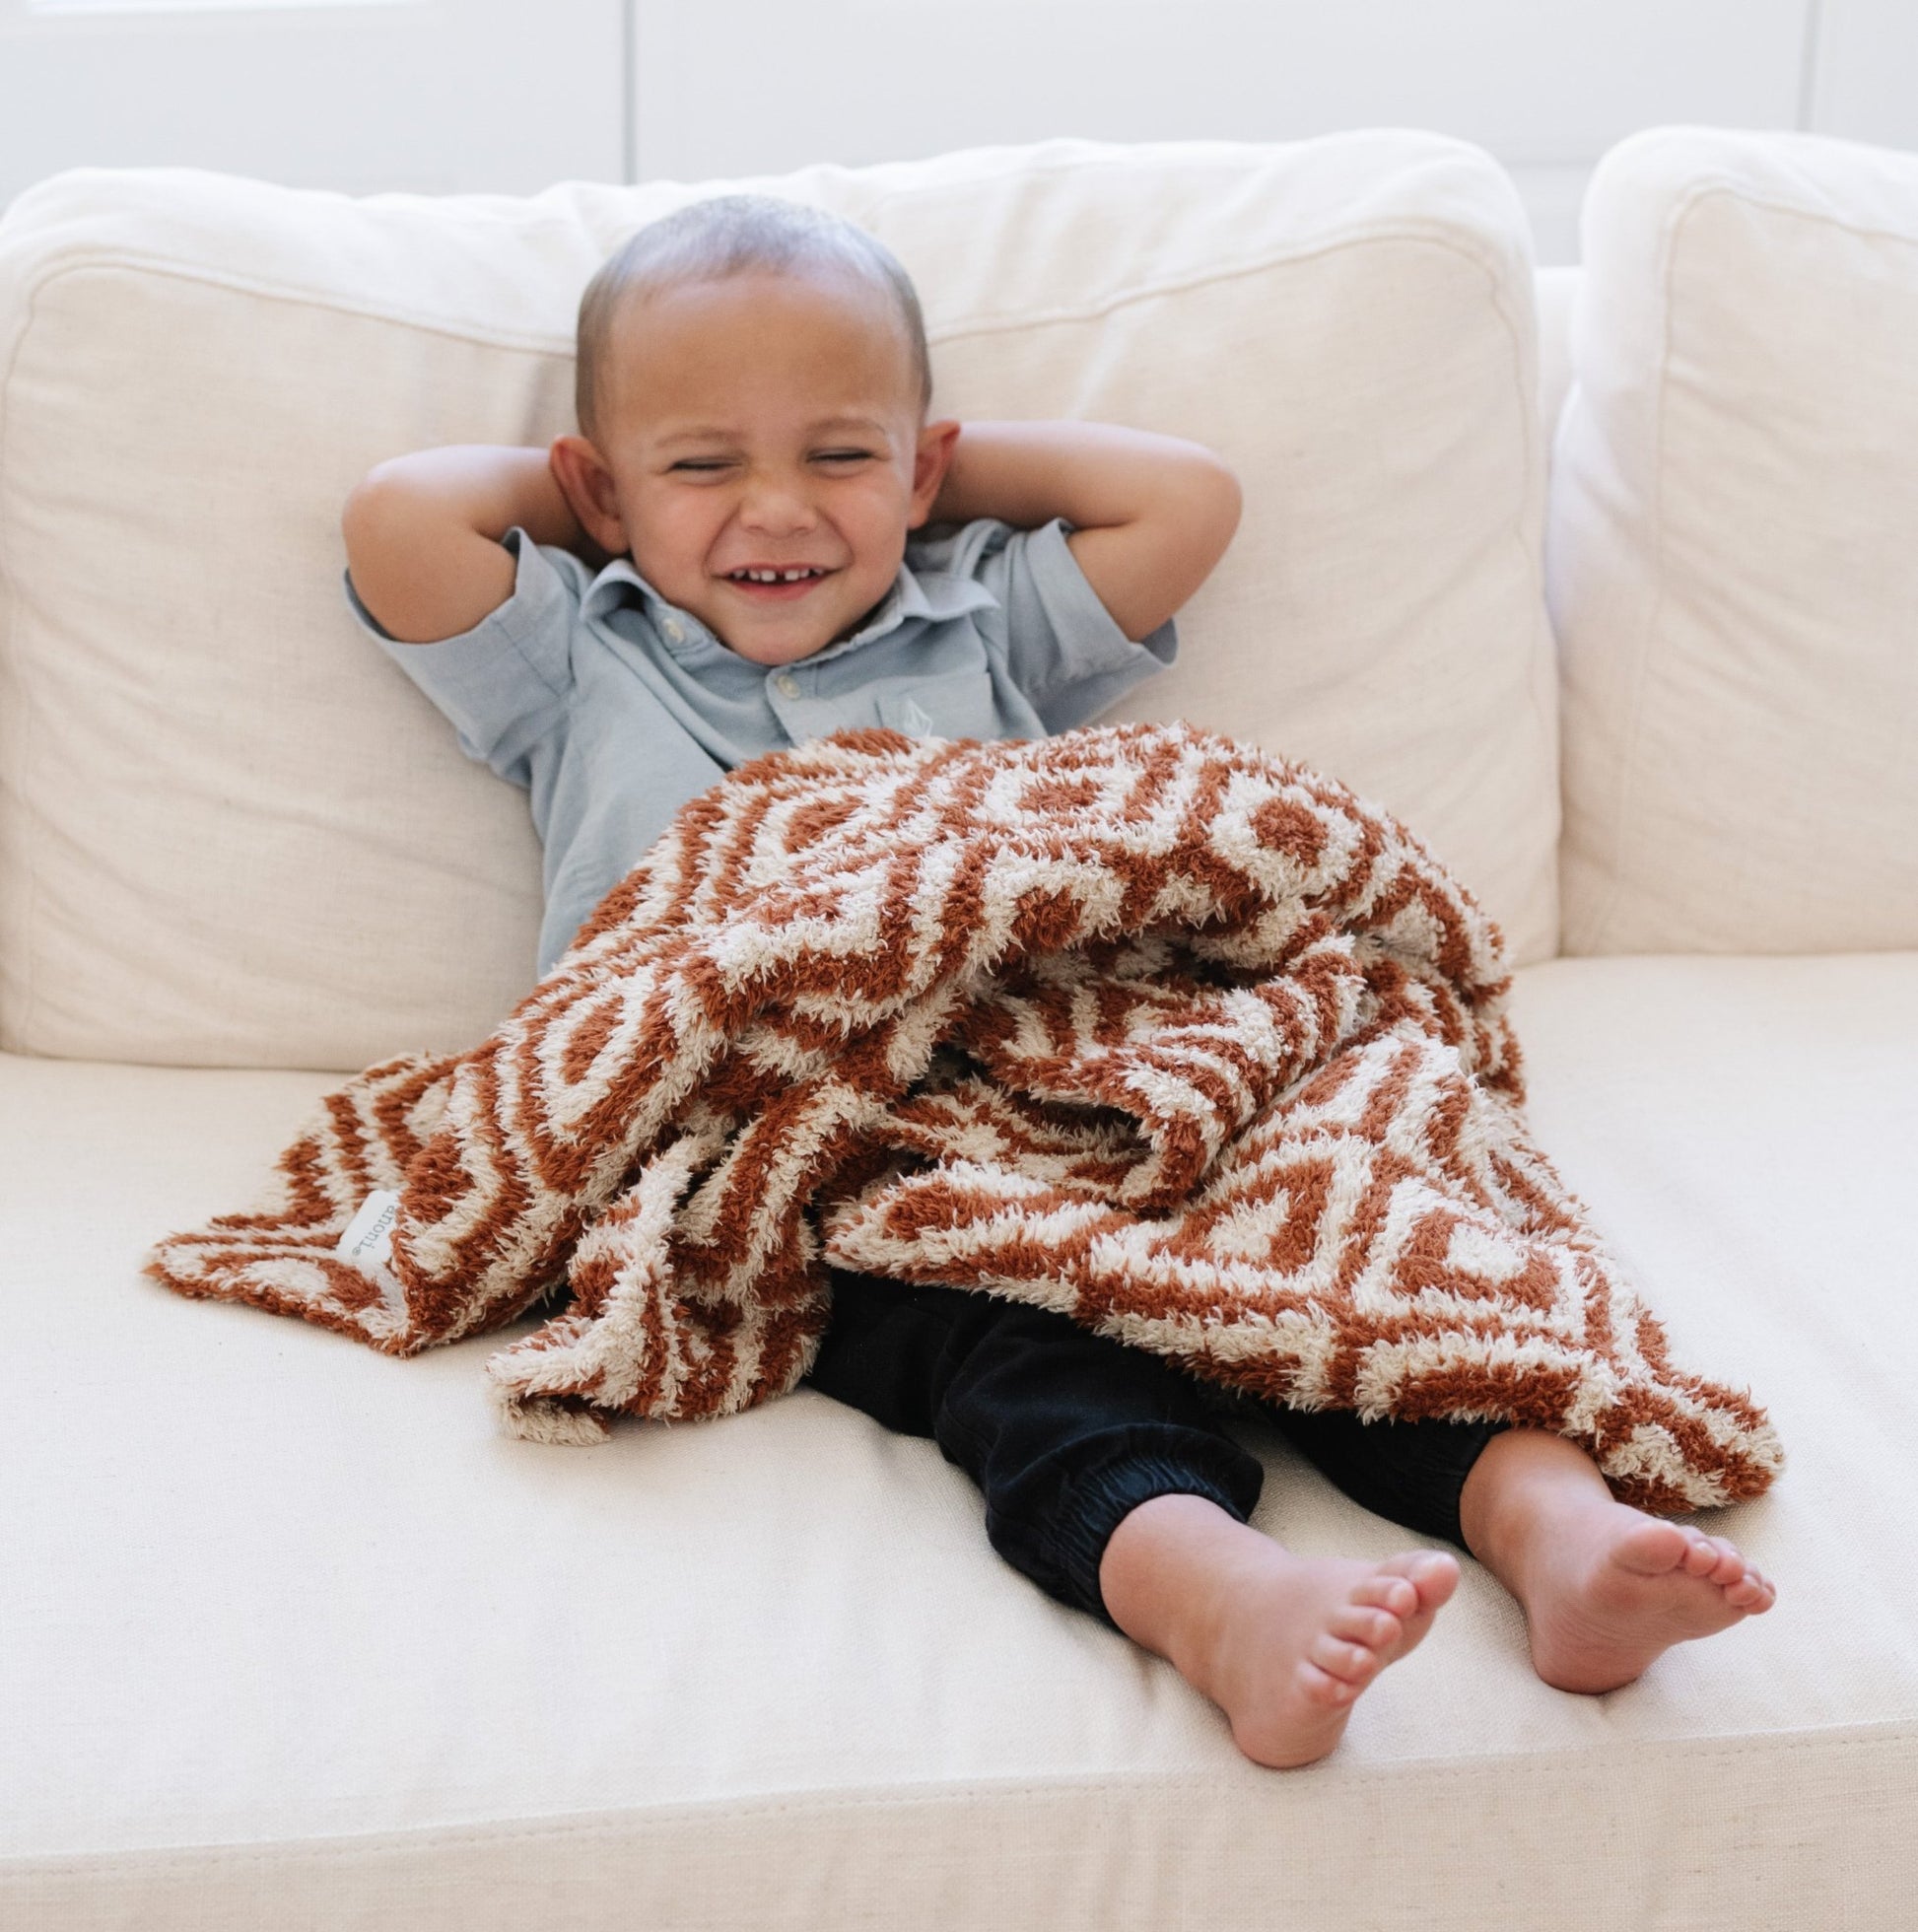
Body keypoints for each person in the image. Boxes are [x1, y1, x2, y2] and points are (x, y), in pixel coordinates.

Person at [341, 194, 1775, 1769]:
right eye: (705, 467)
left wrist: (904, 483)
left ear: (924, 472)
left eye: (836, 455)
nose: (778, 510)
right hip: (827, 1133)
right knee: (1009, 1337)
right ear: (597, 492)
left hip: (1094, 1068)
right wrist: (633, 501)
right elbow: (400, 521)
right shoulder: (576, 658)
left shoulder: (979, 621)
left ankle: (1553, 1525)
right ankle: (1211, 1589)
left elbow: (1184, 499)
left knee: (1341, 1228)